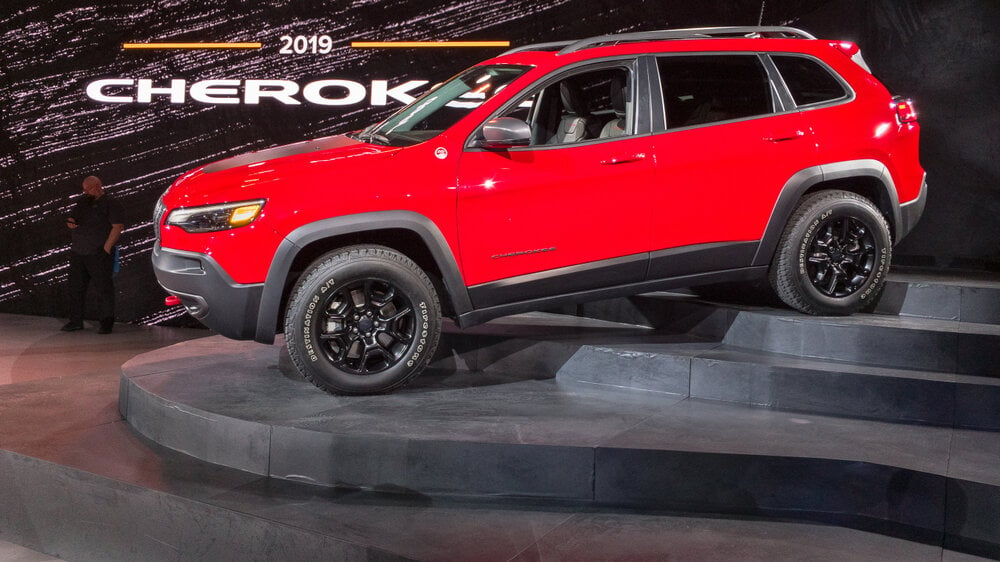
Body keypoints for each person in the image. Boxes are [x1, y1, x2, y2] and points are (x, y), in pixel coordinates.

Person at [61, 176, 125, 334]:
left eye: (88, 189)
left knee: (103, 288)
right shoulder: (82, 202)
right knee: (76, 288)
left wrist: (107, 248)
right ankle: (75, 321)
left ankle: (106, 322)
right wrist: (71, 222)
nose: (85, 192)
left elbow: (117, 226)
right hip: (79, 251)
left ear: (98, 186)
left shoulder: (110, 202)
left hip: (98, 252)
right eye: (84, 189)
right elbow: (72, 219)